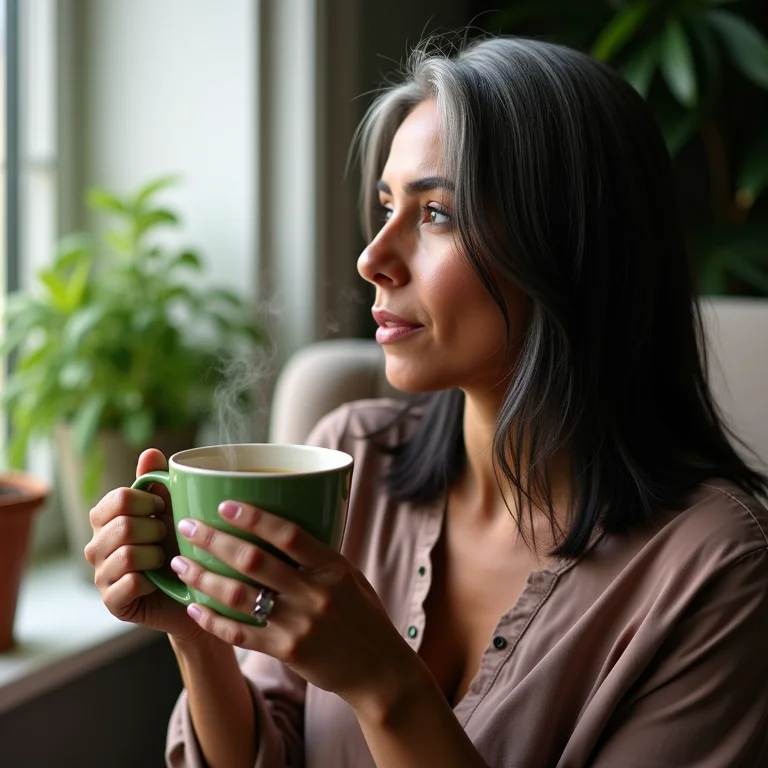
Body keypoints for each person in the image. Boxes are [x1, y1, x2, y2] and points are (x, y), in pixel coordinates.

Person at [85, 35, 768, 768]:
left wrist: (386, 685)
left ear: (569, 246)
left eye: (435, 213)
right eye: (385, 206)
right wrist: (198, 628)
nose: (372, 258)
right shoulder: (352, 462)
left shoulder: (717, 570)